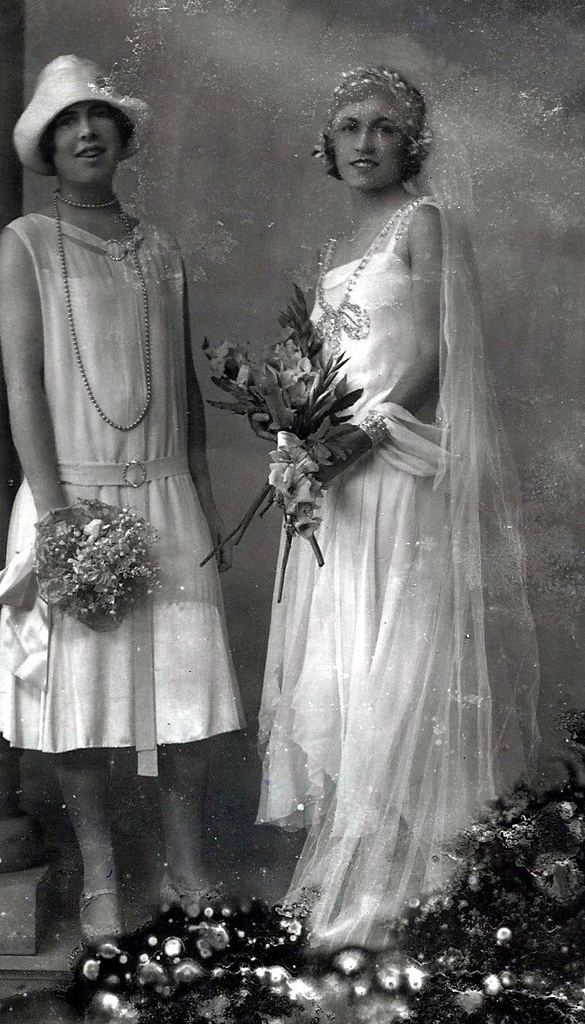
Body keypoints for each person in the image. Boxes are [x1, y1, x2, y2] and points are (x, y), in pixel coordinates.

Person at [254, 66, 539, 949]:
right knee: (339, 663)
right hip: (336, 484)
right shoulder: (337, 255)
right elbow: (321, 373)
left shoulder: (426, 226)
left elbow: (432, 361)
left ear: (410, 141)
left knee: (396, 659)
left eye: (384, 127)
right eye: (350, 126)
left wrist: (358, 438)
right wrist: (299, 445)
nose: (366, 142)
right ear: (328, 145)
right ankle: (356, 865)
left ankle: (397, 890)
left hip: (391, 476)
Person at [0, 55, 244, 942]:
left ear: (122, 137)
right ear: (48, 149)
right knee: (83, 702)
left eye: (98, 118)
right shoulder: (25, 242)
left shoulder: (161, 247)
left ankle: (186, 864)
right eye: (66, 124)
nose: (85, 133)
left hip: (165, 494)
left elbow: (183, 393)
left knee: (187, 697)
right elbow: (23, 390)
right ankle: (99, 874)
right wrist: (57, 519)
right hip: (73, 498)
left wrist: (205, 505)